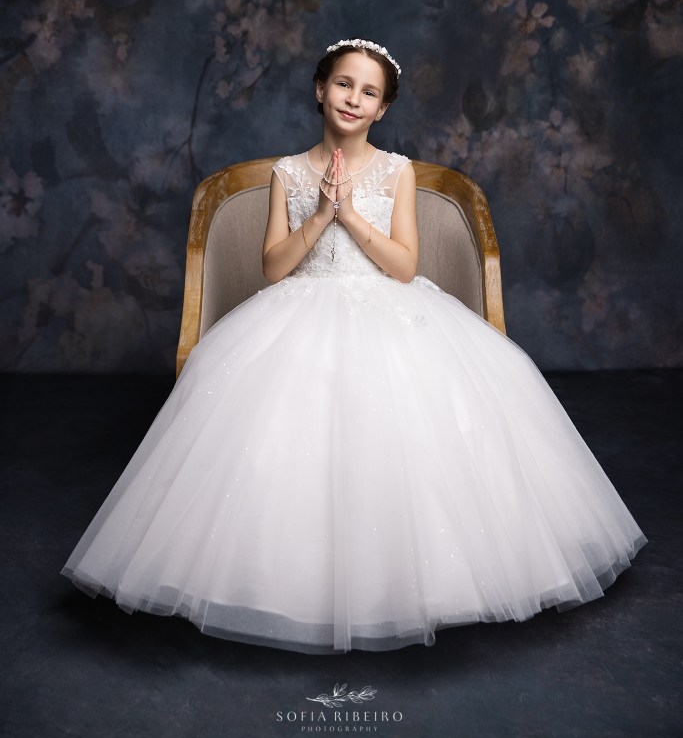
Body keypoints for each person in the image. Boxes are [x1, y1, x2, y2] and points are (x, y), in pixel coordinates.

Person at [60, 38, 647, 655]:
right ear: (321, 89)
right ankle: (279, 584)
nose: (353, 99)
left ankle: (408, 584)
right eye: (344, 84)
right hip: (299, 309)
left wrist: (349, 214)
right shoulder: (287, 172)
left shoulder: (397, 171)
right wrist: (317, 212)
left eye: (369, 92)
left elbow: (403, 265)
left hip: (389, 308)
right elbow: (273, 268)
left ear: (382, 109)